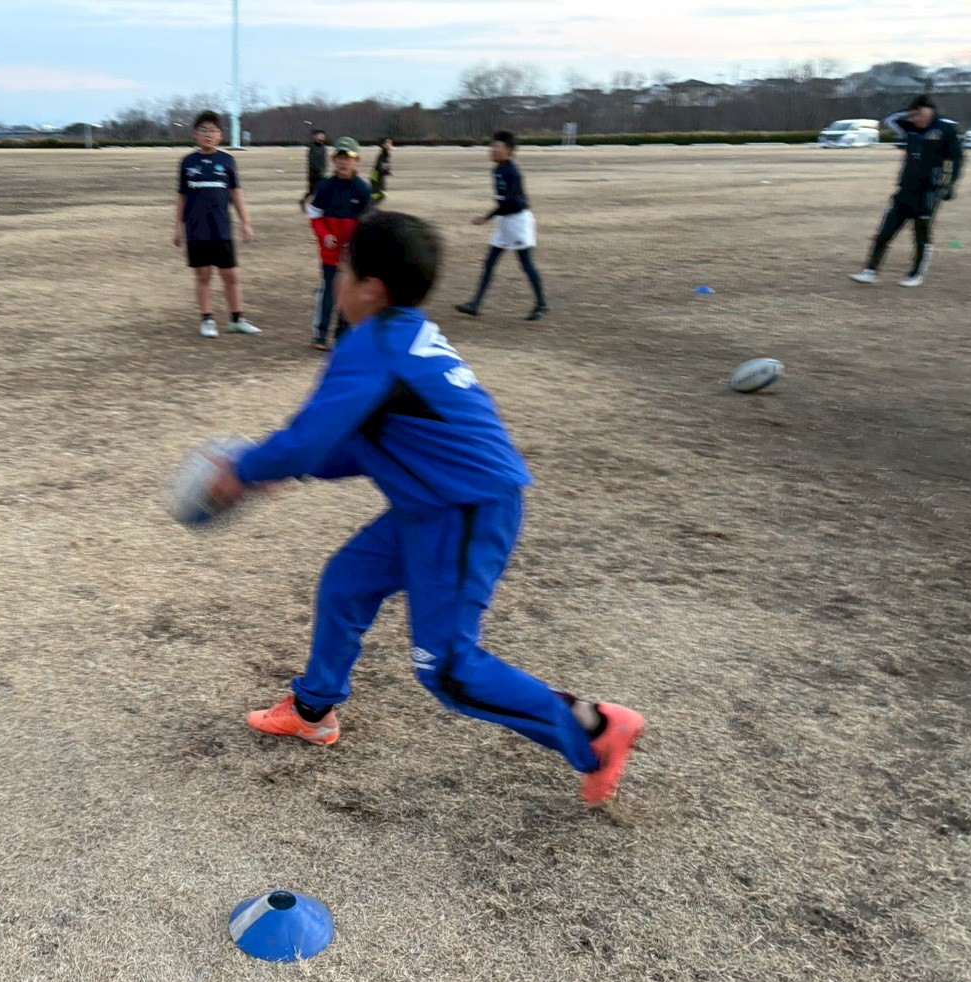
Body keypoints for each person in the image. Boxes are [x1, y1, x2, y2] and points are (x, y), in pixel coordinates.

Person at [206, 211, 645, 808]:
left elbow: (309, 439)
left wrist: (245, 471)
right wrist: (283, 470)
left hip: (463, 510)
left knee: (448, 670)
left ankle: (594, 729)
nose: (337, 281)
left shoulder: (374, 345)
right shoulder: (404, 335)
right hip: (435, 504)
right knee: (347, 582)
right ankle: (313, 710)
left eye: (345, 271)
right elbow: (363, 442)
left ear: (371, 288)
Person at [851, 95, 965, 288]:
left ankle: (916, 274)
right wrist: (911, 113)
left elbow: (957, 160)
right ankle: (870, 271)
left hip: (928, 193)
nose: (916, 119)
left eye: (919, 114)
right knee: (885, 232)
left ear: (930, 111)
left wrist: (949, 185)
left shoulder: (945, 130)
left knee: (921, 235)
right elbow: (890, 120)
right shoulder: (910, 127)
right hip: (905, 190)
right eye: (913, 115)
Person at [174, 111, 261, 338]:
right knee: (203, 275)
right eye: (203, 131)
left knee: (231, 275)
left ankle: (237, 319)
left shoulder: (228, 161)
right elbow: (182, 197)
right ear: (195, 134)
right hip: (196, 229)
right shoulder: (187, 163)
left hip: (222, 228)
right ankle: (207, 319)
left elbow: (237, 194)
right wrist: (177, 227)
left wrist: (246, 222)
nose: (208, 135)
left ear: (220, 135)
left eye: (212, 131)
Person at [455, 131, 549, 323]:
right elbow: (503, 202)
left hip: (517, 221)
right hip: (504, 221)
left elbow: (511, 202)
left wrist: (487, 217)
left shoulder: (512, 172)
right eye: (493, 146)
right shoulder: (497, 170)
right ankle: (475, 305)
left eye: (497, 146)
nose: (493, 149)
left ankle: (542, 304)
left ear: (508, 150)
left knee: (526, 264)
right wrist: (492, 217)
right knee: (489, 263)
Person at [306, 137, 374, 351]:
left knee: (349, 293)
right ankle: (321, 334)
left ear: (357, 161)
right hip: (330, 254)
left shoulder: (362, 190)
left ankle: (343, 334)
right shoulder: (325, 187)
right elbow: (315, 216)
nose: (344, 162)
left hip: (352, 256)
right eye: (340, 158)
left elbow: (368, 224)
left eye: (349, 158)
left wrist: (355, 243)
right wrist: (325, 234)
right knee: (328, 292)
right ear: (333, 160)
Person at [301, 128, 329, 210]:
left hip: (321, 173)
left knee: (321, 190)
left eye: (323, 136)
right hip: (313, 174)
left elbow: (324, 160)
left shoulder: (323, 147)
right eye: (319, 136)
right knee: (313, 191)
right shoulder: (312, 147)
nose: (322, 137)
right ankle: (305, 202)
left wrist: (324, 169)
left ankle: (319, 206)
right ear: (315, 137)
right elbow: (312, 161)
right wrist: (317, 169)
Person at [369, 137, 393, 203]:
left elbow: (384, 164)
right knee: (378, 192)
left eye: (390, 143)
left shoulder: (385, 154)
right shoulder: (383, 154)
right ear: (383, 145)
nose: (390, 145)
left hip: (378, 175)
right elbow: (380, 165)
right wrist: (386, 170)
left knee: (380, 191)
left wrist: (387, 170)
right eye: (388, 143)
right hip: (377, 175)